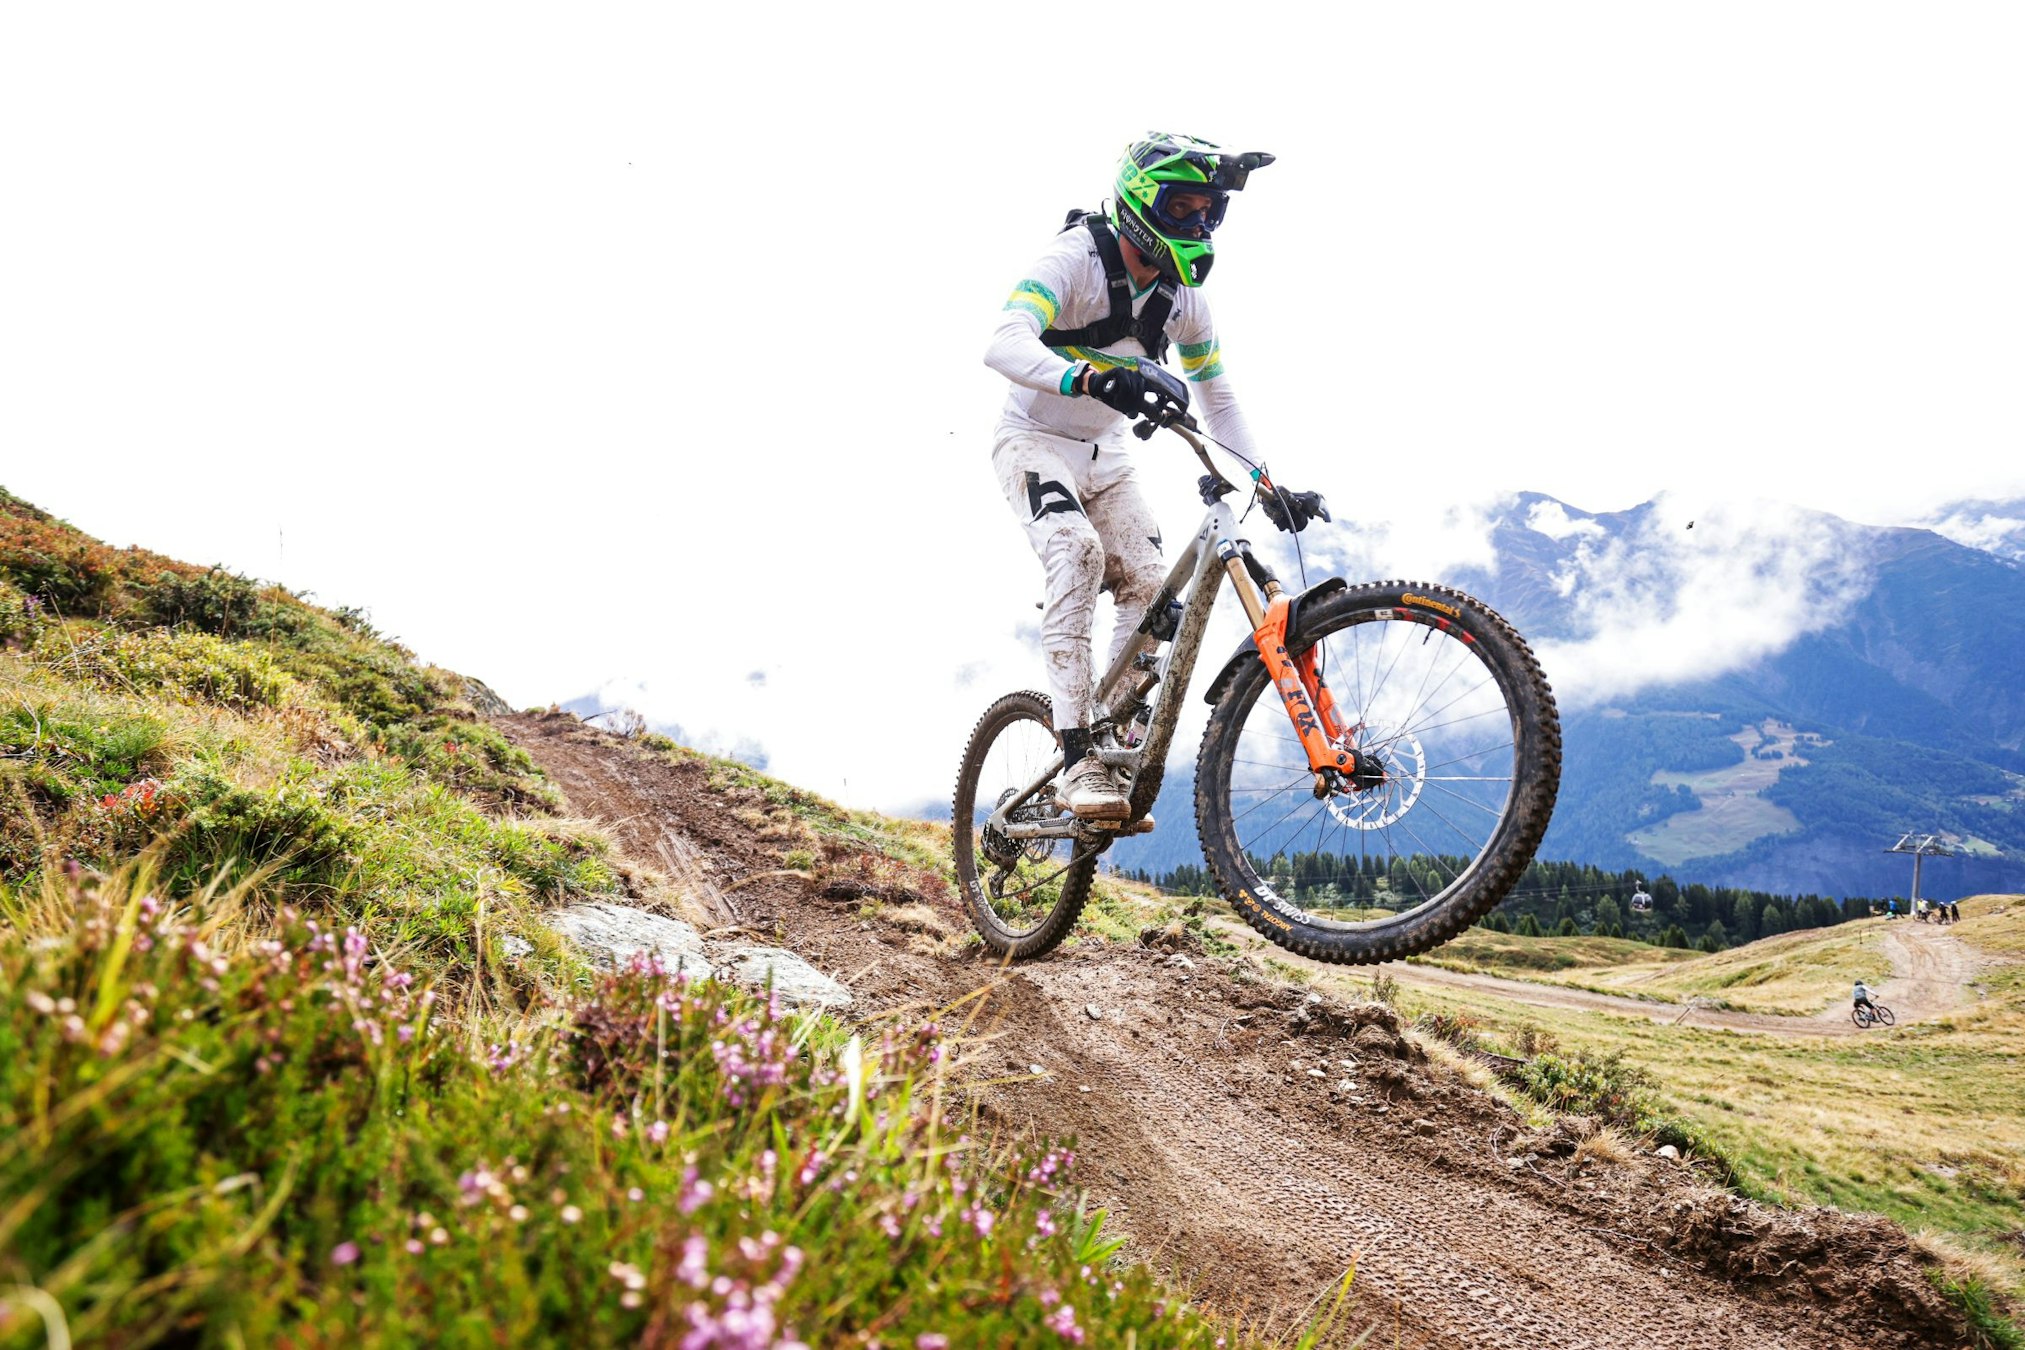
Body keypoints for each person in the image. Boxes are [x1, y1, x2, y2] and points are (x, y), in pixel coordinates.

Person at [983, 133, 1327, 820]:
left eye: (1210, 213)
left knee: (1149, 586)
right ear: (1143, 204)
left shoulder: (1184, 300)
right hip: (1031, 442)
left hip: (1106, 455)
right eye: (1183, 209)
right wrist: (1087, 373)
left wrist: (1266, 483)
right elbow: (1003, 340)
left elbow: (1217, 398)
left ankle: (1109, 743)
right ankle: (1077, 753)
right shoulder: (1072, 259)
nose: (1198, 226)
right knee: (1076, 555)